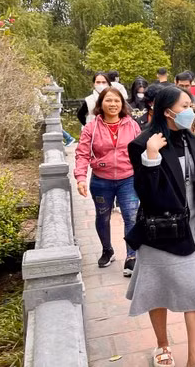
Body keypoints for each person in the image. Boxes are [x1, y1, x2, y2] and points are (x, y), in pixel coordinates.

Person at [125, 85, 195, 367]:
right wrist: (150, 159)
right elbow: (146, 195)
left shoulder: (193, 141)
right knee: (156, 288)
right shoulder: (143, 144)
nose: (190, 111)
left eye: (191, 105)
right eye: (185, 106)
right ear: (167, 110)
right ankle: (162, 345)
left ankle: (194, 358)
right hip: (161, 230)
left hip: (194, 226)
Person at [74, 87, 141, 274]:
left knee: (131, 216)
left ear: (122, 104)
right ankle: (107, 250)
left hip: (128, 178)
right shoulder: (91, 127)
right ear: (101, 104)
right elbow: (82, 153)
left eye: (117, 101)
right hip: (101, 181)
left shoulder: (132, 125)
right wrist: (80, 177)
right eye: (109, 101)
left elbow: (140, 150)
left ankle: (131, 256)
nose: (113, 104)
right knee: (103, 216)